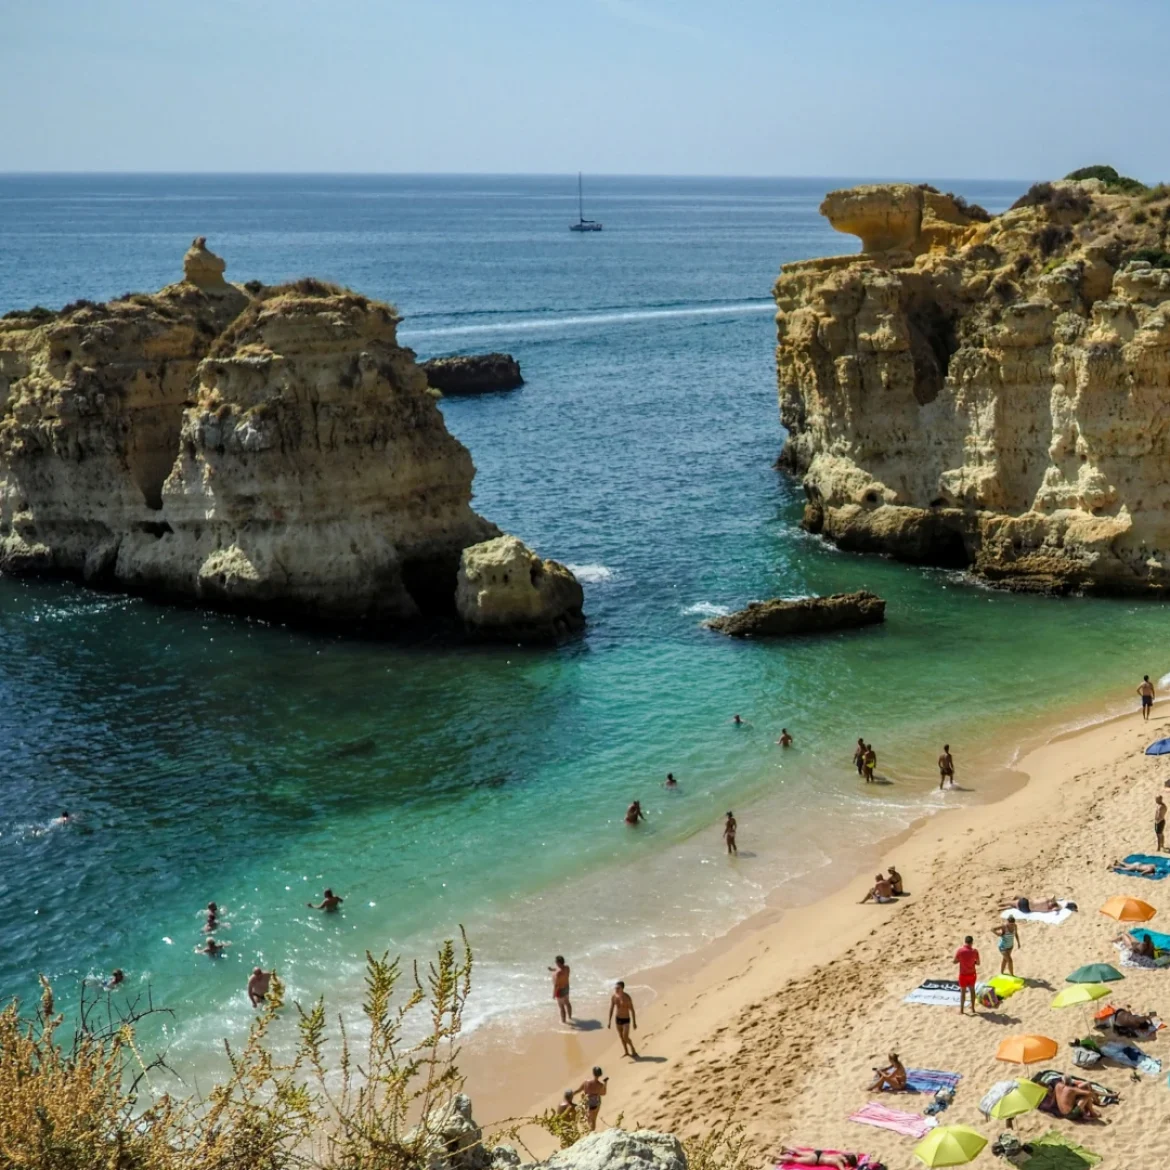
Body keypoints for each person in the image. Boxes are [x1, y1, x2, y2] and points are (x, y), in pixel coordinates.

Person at [608, 980, 639, 1058]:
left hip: (626, 1019)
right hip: (618, 1019)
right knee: (621, 1037)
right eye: (615, 988)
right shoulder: (614, 997)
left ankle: (632, 1047)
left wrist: (634, 1023)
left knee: (625, 1037)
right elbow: (611, 1009)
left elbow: (632, 1010)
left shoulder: (627, 998)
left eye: (618, 988)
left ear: (622, 988)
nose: (616, 990)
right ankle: (626, 1052)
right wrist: (609, 1021)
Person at [953, 935, 980, 1015]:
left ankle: (961, 1010)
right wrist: (973, 962)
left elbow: (954, 961)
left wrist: (961, 960)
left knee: (963, 992)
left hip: (963, 974)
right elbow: (978, 963)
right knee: (972, 991)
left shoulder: (960, 951)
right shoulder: (975, 951)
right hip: (972, 974)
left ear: (965, 942)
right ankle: (973, 1008)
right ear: (972, 942)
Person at [578, 1067, 607, 1131]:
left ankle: (590, 1130)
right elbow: (604, 1093)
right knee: (594, 1119)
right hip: (596, 1103)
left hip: (588, 1103)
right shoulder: (600, 1085)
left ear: (593, 1073)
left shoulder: (586, 1082)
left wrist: (571, 1095)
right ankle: (592, 1130)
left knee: (588, 1117)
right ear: (600, 1074)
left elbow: (579, 1090)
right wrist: (605, 1084)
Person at [549, 955, 572, 1023]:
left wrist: (553, 994)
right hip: (566, 987)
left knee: (561, 1007)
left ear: (558, 963)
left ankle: (563, 1022)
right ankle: (570, 1017)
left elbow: (556, 985)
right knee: (567, 1003)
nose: (555, 963)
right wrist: (552, 969)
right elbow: (560, 969)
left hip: (560, 990)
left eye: (556, 962)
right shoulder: (567, 968)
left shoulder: (558, 973)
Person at [776, 1151, 858, 1169]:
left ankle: (787, 1148)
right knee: (795, 1159)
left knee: (799, 1152)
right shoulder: (839, 1162)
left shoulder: (840, 1155)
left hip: (819, 1153)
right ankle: (776, 1157)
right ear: (847, 1161)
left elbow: (855, 1153)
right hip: (816, 1159)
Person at [998, 895, 1064, 914]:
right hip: (1026, 910)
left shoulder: (1045, 900)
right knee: (1015, 905)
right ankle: (1005, 908)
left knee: (1016, 896)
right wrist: (1057, 907)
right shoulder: (1047, 910)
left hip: (1025, 903)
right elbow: (1056, 909)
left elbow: (1052, 896)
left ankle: (999, 905)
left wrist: (1057, 900)